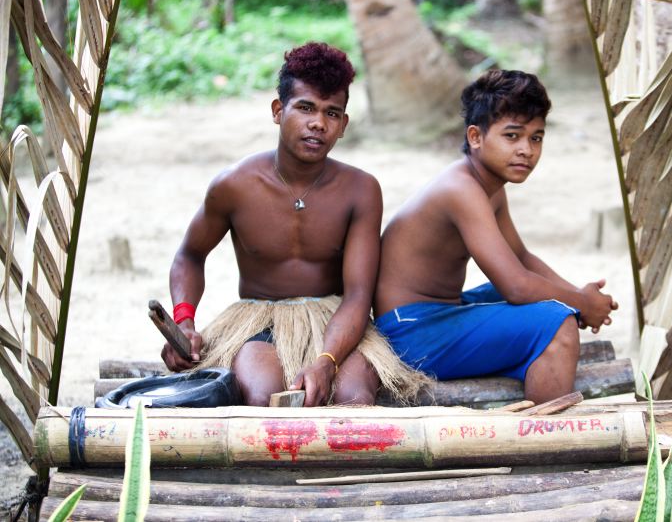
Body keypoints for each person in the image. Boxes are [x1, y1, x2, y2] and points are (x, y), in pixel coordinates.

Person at [161, 42, 427, 407]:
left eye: (332, 113)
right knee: (261, 396)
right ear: (277, 111)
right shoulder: (234, 185)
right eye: (305, 108)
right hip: (257, 318)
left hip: (336, 321)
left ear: (344, 125)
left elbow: (358, 295)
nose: (318, 123)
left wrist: (326, 362)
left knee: (354, 397)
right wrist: (184, 322)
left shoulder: (360, 190)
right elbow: (189, 256)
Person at [374, 69, 618, 404]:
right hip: (410, 333)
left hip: (438, 315)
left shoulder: (489, 188)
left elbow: (522, 258)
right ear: (475, 137)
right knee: (556, 320)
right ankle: (550, 444)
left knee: (549, 303)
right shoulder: (460, 189)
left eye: (536, 138)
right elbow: (516, 286)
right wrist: (579, 305)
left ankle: (536, 377)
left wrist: (578, 295)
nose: (526, 150)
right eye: (512, 136)